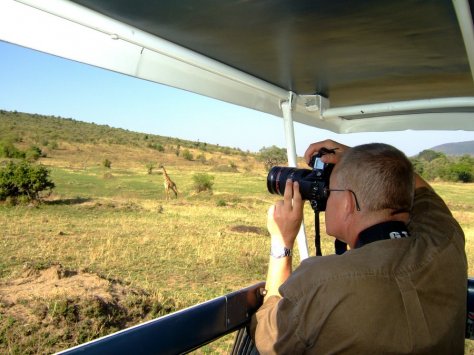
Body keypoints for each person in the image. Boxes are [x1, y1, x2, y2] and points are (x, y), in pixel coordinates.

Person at [251, 139, 467, 354]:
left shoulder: (320, 282)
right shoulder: (446, 242)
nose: (325, 196)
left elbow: (267, 337)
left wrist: (282, 241)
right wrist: (357, 158)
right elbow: (425, 195)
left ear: (348, 203)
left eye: (330, 189)